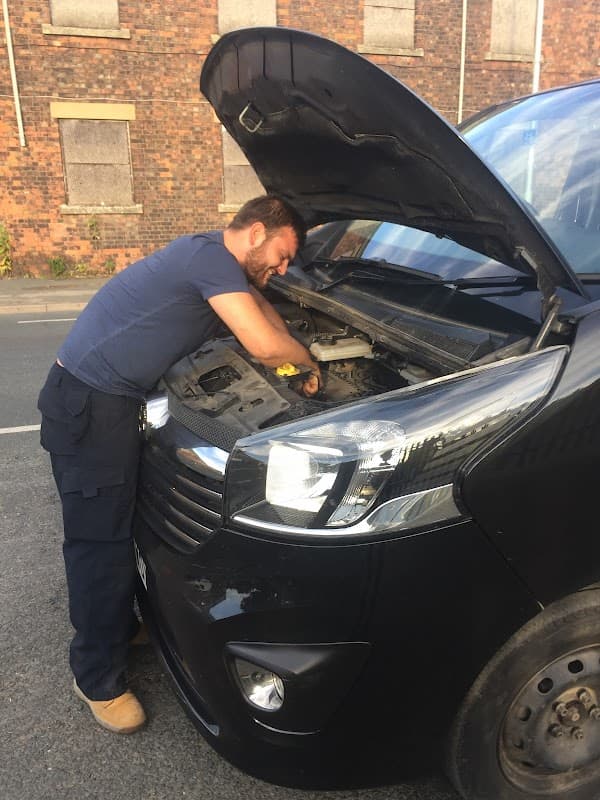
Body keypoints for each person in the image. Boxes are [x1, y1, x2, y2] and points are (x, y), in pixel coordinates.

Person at [37, 195, 320, 734]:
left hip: (113, 404)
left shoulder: (213, 260)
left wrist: (297, 339)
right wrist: (305, 364)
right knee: (99, 543)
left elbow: (262, 314)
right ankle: (96, 677)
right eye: (281, 255)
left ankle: (118, 624)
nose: (283, 270)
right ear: (256, 231)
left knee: (125, 526)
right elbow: (262, 343)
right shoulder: (209, 260)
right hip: (88, 404)